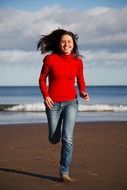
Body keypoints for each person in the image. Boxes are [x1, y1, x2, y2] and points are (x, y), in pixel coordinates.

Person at [37, 28, 89, 182]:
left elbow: (80, 80)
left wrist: (83, 91)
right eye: (63, 41)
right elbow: (41, 79)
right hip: (52, 103)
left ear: (73, 44)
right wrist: (46, 96)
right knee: (54, 138)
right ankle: (55, 134)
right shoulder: (50, 59)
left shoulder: (77, 61)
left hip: (71, 102)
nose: (66, 44)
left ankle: (64, 171)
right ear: (59, 44)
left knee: (68, 138)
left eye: (69, 42)